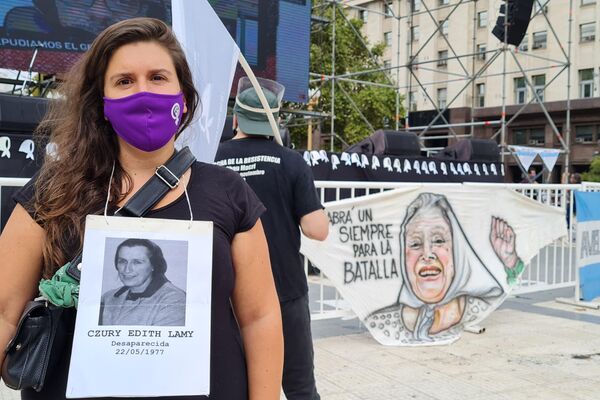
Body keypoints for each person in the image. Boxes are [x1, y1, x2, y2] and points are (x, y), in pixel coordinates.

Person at [0, 18, 283, 400]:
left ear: (183, 97)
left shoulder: (230, 193)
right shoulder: (51, 192)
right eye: (124, 81)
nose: (144, 92)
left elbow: (259, 317)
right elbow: (4, 311)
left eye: (158, 77)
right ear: (101, 104)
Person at [215, 77, 329, 400]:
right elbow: (316, 229)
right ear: (275, 121)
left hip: (229, 298)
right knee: (300, 389)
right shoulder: (292, 162)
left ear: (236, 119)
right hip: (285, 293)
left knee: (235, 386)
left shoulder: (213, 162)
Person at [365, 193, 522, 345]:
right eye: (414, 244)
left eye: (439, 240)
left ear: (457, 252)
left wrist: (511, 261)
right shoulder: (381, 323)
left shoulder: (480, 308)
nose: (427, 254)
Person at [99, 238, 186, 326]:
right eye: (122, 261)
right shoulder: (108, 297)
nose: (127, 269)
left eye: (137, 262)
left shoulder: (174, 300)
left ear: (154, 265)